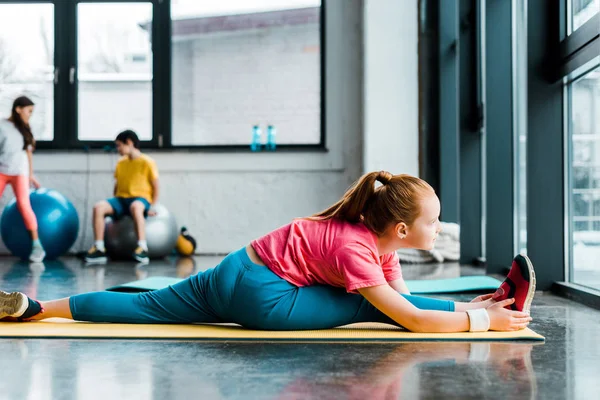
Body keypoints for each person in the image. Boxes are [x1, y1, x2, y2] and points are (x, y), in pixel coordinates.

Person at [0, 171, 534, 333]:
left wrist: (474, 306)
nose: (439, 228)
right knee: (367, 306)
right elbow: (410, 317)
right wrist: (480, 323)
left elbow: (407, 295)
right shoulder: (357, 250)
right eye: (433, 222)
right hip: (264, 300)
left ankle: (37, 307)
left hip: (234, 267)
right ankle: (500, 305)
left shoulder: (369, 236)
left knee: (147, 302)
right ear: (399, 227)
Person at [84, 130, 159, 264]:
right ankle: (99, 248)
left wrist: (151, 206)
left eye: (119, 145)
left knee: (136, 207)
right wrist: (114, 206)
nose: (117, 149)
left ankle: (142, 248)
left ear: (129, 143)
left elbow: (156, 187)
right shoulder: (121, 163)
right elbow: (117, 185)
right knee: (98, 207)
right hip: (121, 200)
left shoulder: (147, 162)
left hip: (140, 199)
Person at [0, 96, 45, 263]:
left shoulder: (25, 128)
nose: (30, 115)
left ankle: (37, 245)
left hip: (20, 172)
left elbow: (28, 154)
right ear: (18, 109)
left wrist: (31, 175)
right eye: (29, 111)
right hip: (2, 170)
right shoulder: (2, 125)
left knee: (24, 205)